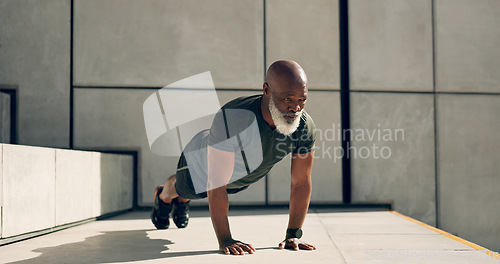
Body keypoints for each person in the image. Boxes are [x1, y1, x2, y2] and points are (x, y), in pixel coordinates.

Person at [151, 60, 317, 255]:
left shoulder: (304, 126)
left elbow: (300, 183)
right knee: (182, 189)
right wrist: (225, 239)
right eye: (288, 99)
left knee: (212, 188)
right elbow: (216, 182)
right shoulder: (235, 117)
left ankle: (182, 200)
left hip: (238, 177)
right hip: (199, 164)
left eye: (302, 99)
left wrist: (293, 234)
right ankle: (163, 195)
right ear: (267, 90)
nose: (296, 108)